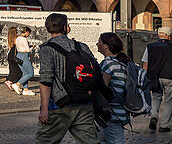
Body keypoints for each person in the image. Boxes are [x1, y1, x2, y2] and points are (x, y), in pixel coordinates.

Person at [35, 12, 99, 144]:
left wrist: (44, 109)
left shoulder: (47, 49)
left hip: (58, 104)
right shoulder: (82, 46)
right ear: (65, 27)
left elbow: (46, 80)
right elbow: (96, 70)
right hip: (83, 102)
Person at [96, 32, 131, 144]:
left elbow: (103, 89)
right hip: (121, 111)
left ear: (106, 45)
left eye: (99, 42)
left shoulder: (108, 64)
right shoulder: (123, 62)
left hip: (111, 113)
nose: (97, 44)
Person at [14, 26, 36, 96]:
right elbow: (27, 50)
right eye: (28, 34)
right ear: (27, 32)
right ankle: (17, 84)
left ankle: (25, 89)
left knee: (25, 73)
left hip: (18, 56)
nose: (28, 35)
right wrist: (32, 47)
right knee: (30, 73)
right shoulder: (24, 39)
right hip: (24, 56)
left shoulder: (17, 38)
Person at [4, 27, 22, 93]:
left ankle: (11, 82)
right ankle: (10, 82)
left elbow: (10, 47)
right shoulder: (16, 38)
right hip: (15, 55)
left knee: (12, 70)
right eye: (16, 30)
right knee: (18, 71)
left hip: (10, 55)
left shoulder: (9, 38)